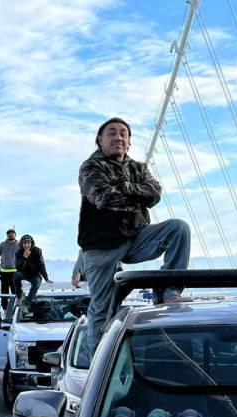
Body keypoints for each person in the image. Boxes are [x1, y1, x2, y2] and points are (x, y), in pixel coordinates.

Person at [78, 117, 191, 350]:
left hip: (136, 237)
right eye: (111, 133)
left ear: (129, 142)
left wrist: (127, 190)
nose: (118, 137)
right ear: (100, 140)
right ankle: (96, 367)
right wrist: (139, 197)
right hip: (102, 246)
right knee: (102, 309)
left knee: (178, 228)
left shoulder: (138, 168)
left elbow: (155, 194)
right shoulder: (91, 167)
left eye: (123, 133)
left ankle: (170, 291)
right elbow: (104, 198)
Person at [14, 234, 51, 305]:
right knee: (16, 275)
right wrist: (24, 258)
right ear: (21, 244)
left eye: (28, 243)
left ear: (31, 243)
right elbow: (18, 268)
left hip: (35, 274)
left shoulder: (37, 251)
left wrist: (46, 278)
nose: (27, 245)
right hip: (24, 273)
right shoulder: (18, 253)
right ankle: (19, 295)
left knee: (37, 282)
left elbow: (41, 265)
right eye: (25, 243)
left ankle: (26, 304)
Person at [0, 229, 21, 298]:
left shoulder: (19, 245)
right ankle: (4, 307)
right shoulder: (2, 244)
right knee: (4, 291)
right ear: (7, 235)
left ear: (15, 234)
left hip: (15, 272)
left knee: (15, 291)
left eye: (12, 233)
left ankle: (16, 307)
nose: (11, 234)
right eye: (9, 233)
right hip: (3, 272)